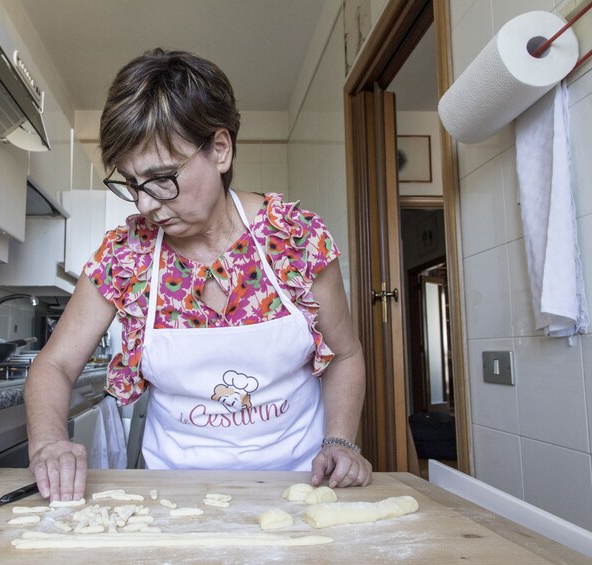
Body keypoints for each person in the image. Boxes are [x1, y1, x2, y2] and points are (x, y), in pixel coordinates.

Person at [24, 48, 372, 502]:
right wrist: (49, 442)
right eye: (131, 183)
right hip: (173, 496)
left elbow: (345, 356)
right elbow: (54, 364)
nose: (145, 204)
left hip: (299, 488)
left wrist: (340, 442)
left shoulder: (294, 239)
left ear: (220, 150)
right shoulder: (126, 256)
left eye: (162, 178)